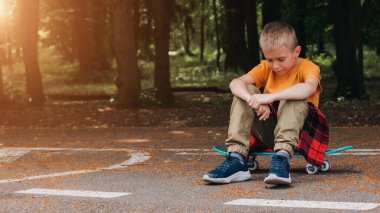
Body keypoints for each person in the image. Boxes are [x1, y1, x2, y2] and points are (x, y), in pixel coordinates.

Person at [203, 21, 328, 185]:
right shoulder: (265, 68)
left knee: (294, 95)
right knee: (246, 90)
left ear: (296, 51)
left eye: (281, 59)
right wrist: (252, 100)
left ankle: (281, 159)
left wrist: (270, 97)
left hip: (299, 134)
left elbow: (308, 89)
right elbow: (235, 83)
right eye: (270, 59)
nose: (275, 65)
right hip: (270, 132)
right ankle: (237, 159)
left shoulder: (308, 67)